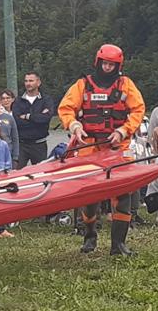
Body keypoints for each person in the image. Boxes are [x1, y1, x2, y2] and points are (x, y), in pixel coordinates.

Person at [57, 43, 147, 255]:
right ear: (98, 62)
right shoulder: (83, 85)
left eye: (112, 65)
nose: (107, 68)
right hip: (90, 146)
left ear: (118, 66)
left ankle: (118, 245)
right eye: (105, 64)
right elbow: (66, 108)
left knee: (123, 194)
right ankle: (89, 236)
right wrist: (75, 125)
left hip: (117, 146)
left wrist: (123, 131)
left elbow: (138, 109)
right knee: (90, 196)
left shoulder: (126, 85)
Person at [13, 72, 55, 167]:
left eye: (31, 81)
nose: (28, 83)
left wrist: (28, 117)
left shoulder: (46, 100)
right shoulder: (18, 101)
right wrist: (37, 118)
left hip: (39, 144)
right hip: (22, 145)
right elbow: (17, 122)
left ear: (38, 82)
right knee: (17, 174)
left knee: (40, 174)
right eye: (26, 81)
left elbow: (46, 119)